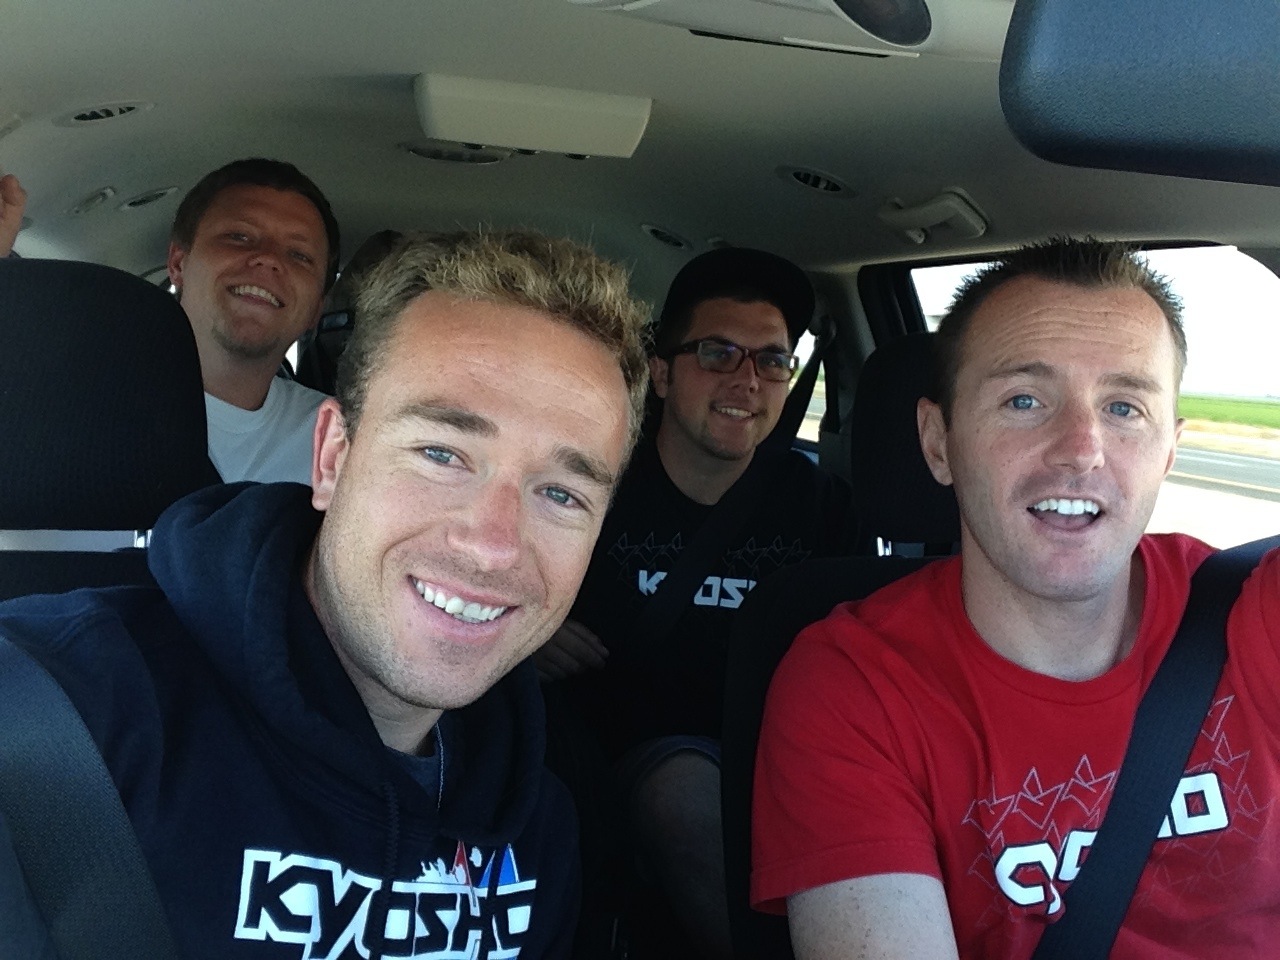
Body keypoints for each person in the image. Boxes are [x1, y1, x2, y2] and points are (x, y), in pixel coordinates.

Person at [0, 229, 652, 957]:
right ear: (332, 457)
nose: (493, 546)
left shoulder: (545, 818)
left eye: (561, 494)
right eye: (442, 453)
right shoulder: (58, 714)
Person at [752, 237, 1280, 959]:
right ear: (938, 443)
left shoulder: (1250, 611)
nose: (1081, 448)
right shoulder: (855, 685)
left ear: (1169, 450)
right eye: (1024, 400)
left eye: (1125, 407)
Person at [539, 248, 852, 957]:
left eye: (772, 361)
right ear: (661, 372)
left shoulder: (824, 506)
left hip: (781, 753)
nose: (748, 380)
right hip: (615, 757)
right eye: (718, 353)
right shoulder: (592, 483)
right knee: (680, 791)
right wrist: (531, 635)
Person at [1, 160, 340, 484]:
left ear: (316, 309)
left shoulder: (341, 440)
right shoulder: (64, 396)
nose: (268, 258)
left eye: (300, 255)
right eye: (239, 236)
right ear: (178, 264)